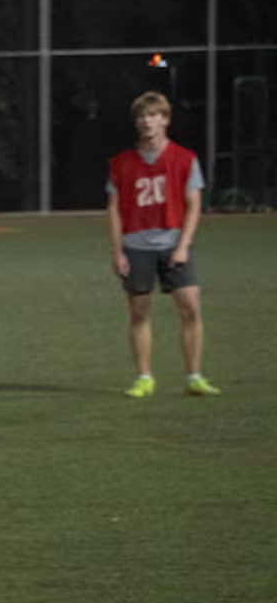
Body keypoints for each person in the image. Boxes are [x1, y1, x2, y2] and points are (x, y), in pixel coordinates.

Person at [107, 90, 219, 398]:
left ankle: (194, 377)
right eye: (142, 116)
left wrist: (184, 245)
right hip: (136, 245)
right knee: (140, 312)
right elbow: (114, 209)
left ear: (165, 120)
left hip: (173, 244)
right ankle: (144, 378)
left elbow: (193, 205)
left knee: (190, 310)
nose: (146, 121)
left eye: (153, 115)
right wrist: (118, 251)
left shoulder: (184, 159)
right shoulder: (121, 163)